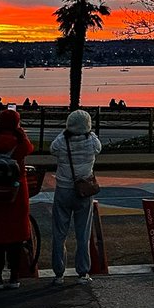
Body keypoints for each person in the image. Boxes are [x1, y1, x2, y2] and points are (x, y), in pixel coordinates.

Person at [0, 108, 35, 289]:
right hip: (16, 192)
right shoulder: (19, 142)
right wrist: (20, 132)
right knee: (15, 236)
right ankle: (14, 276)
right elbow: (29, 148)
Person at [49, 109, 102, 285]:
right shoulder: (92, 142)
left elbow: (52, 148)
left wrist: (65, 131)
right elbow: (99, 147)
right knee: (83, 233)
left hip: (63, 189)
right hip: (84, 191)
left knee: (59, 233)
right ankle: (83, 272)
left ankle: (59, 273)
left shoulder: (62, 141)